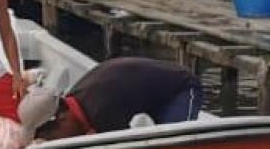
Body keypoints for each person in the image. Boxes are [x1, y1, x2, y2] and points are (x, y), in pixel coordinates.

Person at [20, 57, 200, 141]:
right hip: (147, 95)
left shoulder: (103, 110)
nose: (59, 142)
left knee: (174, 142)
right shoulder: (79, 98)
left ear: (62, 118)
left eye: (52, 138)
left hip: (180, 89)